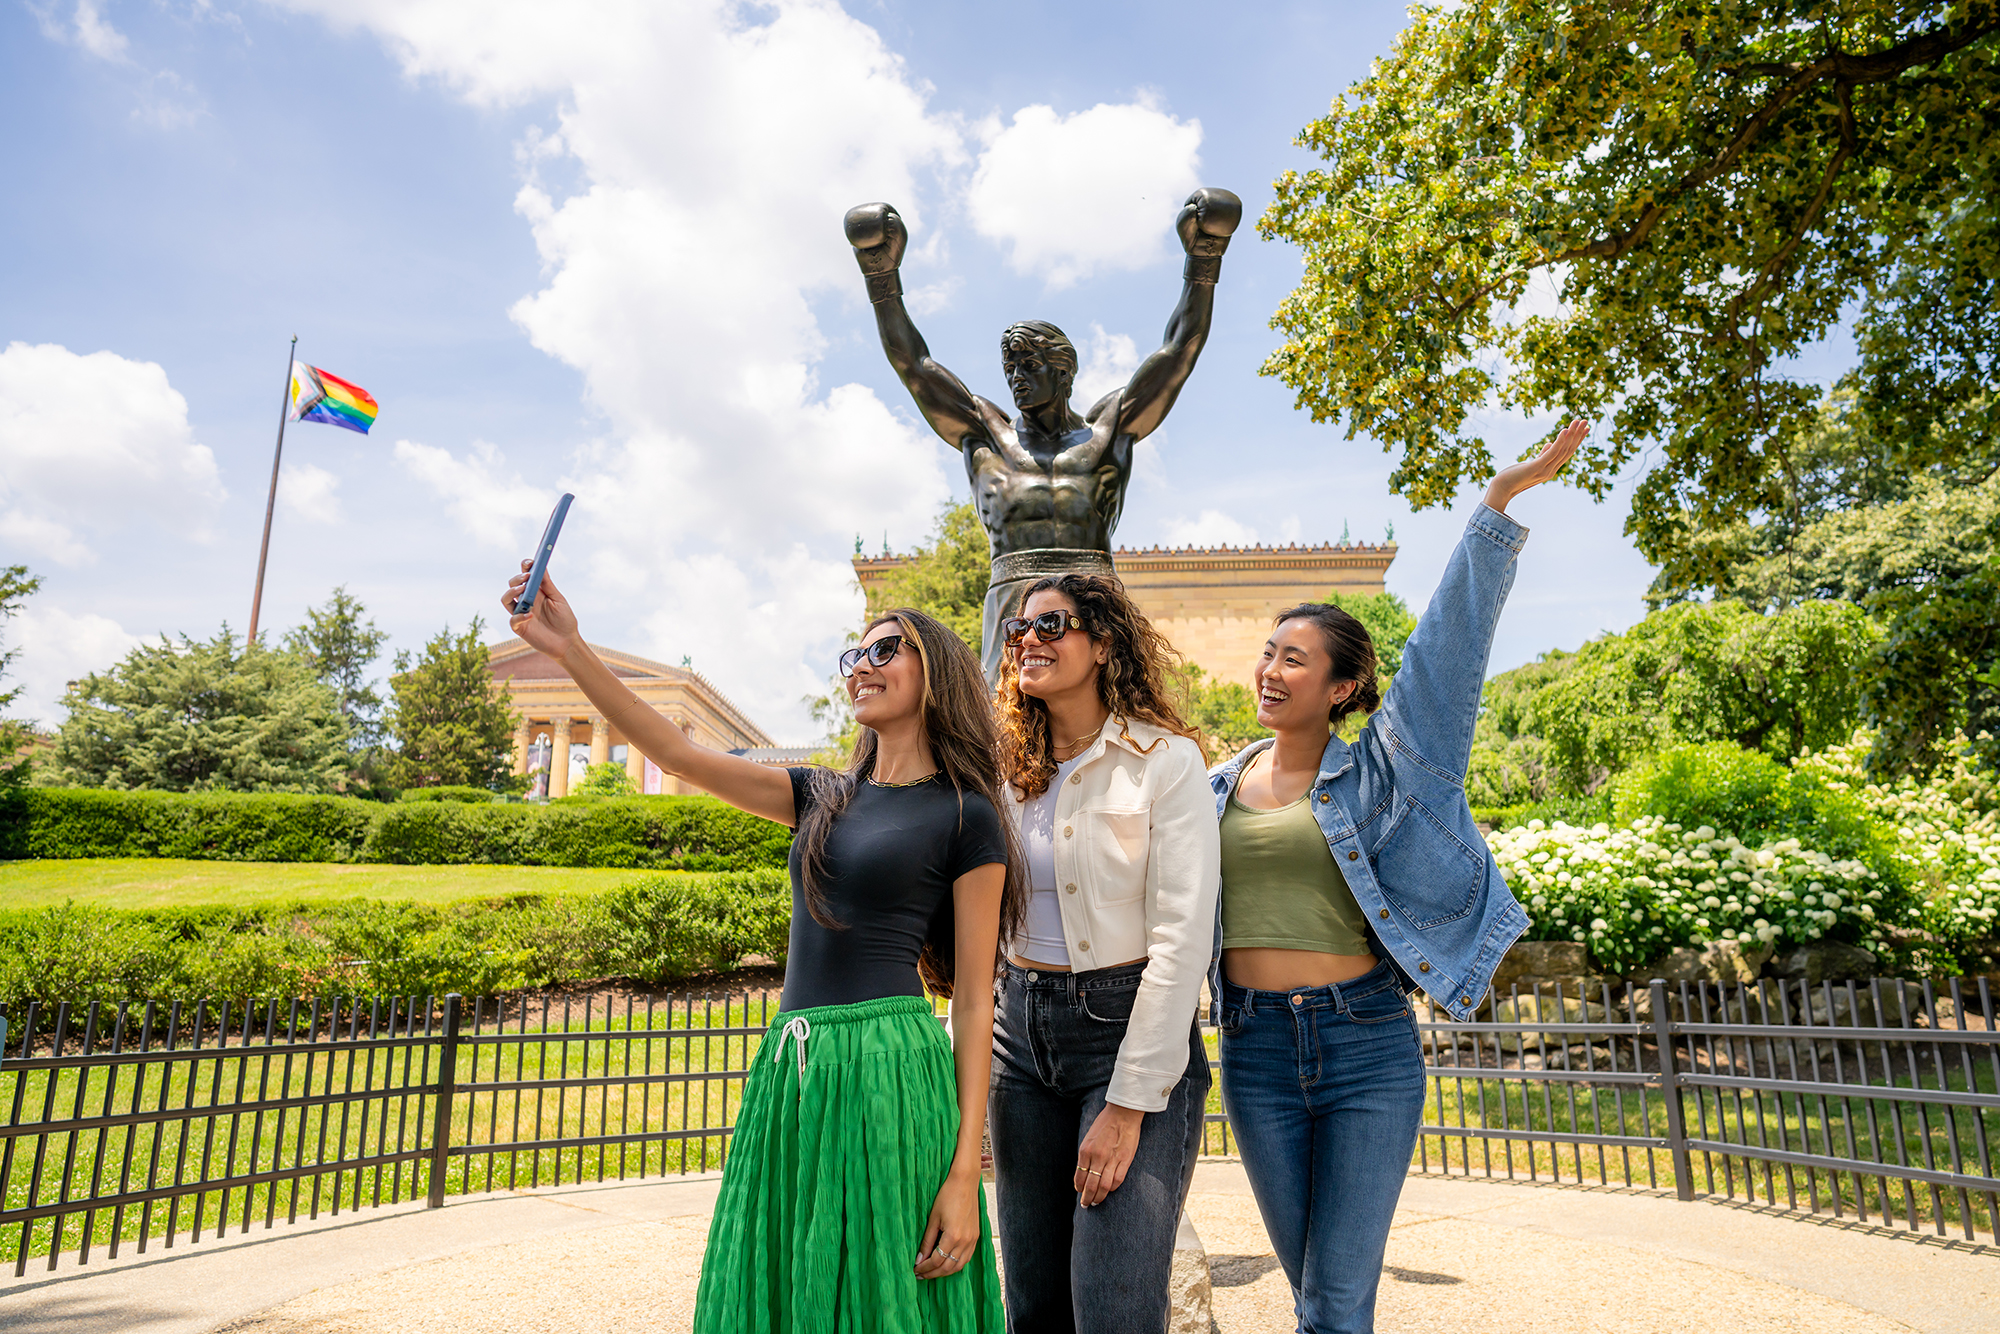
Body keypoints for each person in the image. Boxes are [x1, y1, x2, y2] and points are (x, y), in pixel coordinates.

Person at [502, 566, 1019, 1333]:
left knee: (889, 1287)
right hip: (791, 1067)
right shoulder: (818, 794)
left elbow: (975, 998)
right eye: (856, 656)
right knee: (772, 1276)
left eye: (887, 651)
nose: (863, 668)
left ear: (934, 672)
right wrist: (570, 646)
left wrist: (962, 1168)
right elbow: (677, 755)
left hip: (892, 1066)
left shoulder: (967, 815)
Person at [1209, 422, 1589, 1334]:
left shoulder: (1390, 769)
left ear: (1341, 687)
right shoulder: (1211, 787)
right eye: (1268, 653)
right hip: (1254, 1053)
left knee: (1334, 1306)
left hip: (1365, 1046)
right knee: (1316, 1292)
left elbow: (1448, 655)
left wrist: (1494, 508)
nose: (1270, 669)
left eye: (1293, 658)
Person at [843, 189, 1241, 682]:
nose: (1016, 378)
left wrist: (1204, 258)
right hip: (1012, 609)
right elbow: (914, 366)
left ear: (1063, 372)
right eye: (1010, 367)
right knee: (1002, 733)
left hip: (1093, 605)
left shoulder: (1108, 431)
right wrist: (880, 271)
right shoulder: (986, 434)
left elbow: (1178, 352)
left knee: (1112, 726)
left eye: (1030, 365)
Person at [986, 572, 1221, 1333]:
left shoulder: (1165, 761)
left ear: (1103, 643)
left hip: (1128, 1030)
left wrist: (1127, 1104)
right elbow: (980, 921)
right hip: (1019, 1042)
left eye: (1051, 627)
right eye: (1021, 628)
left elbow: (1182, 938)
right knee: (1035, 1306)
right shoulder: (1002, 769)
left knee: (1114, 1307)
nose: (1028, 640)